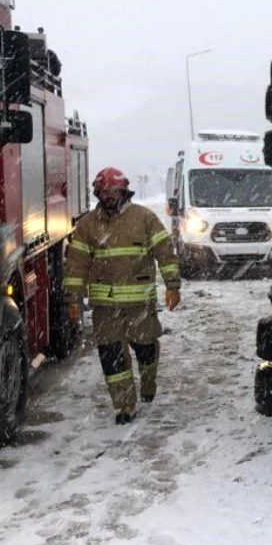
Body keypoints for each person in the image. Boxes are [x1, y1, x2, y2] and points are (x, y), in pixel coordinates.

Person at [65, 167, 182, 424]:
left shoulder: (144, 218)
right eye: (104, 191)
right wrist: (72, 299)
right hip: (105, 308)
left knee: (146, 350)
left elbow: (165, 251)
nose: (109, 195)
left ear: (124, 190)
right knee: (111, 357)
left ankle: (148, 380)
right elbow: (76, 264)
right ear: (97, 192)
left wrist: (173, 286)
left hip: (140, 305)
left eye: (114, 190)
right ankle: (125, 405)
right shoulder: (87, 226)